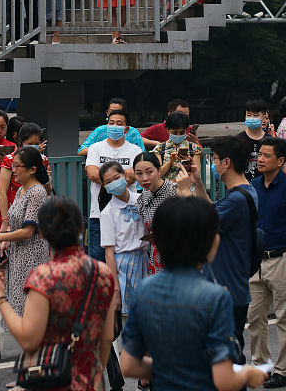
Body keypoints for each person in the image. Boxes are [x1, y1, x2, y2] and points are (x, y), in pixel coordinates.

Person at [120, 196, 268, 391]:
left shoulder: (144, 290)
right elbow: (224, 380)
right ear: (204, 242)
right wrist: (248, 374)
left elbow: (128, 365)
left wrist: (169, 370)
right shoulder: (215, 297)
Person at [0, 196, 118, 391]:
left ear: (43, 235)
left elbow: (28, 340)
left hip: (54, 382)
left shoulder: (43, 277)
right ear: (81, 229)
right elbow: (107, 338)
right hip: (90, 381)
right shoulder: (103, 273)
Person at [248, 137, 286, 388]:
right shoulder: (253, 185)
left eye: (266, 155)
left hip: (282, 257)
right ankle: (261, 365)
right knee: (255, 317)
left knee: (284, 317)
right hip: (254, 261)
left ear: (281, 161)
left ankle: (283, 370)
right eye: (259, 154)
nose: (260, 159)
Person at [196, 136, 257, 357]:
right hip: (230, 286)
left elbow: (203, 224)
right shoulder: (244, 192)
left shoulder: (236, 200)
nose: (214, 164)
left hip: (226, 289)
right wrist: (197, 184)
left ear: (227, 163)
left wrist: (185, 193)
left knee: (226, 358)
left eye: (215, 159)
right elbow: (213, 212)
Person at [0, 145, 50, 312]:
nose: (13, 170)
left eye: (17, 166)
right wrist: (6, 240)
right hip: (17, 256)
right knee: (16, 303)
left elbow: (28, 231)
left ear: (32, 169)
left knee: (27, 308)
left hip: (31, 257)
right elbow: (17, 225)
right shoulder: (21, 189)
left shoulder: (36, 192)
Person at [85, 108, 143, 262]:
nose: (114, 126)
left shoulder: (135, 150)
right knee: (99, 260)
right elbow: (92, 174)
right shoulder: (95, 148)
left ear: (126, 129)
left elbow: (135, 174)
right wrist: (122, 176)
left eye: (119, 124)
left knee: (126, 257)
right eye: (111, 123)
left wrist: (104, 176)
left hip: (127, 213)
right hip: (98, 213)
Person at [97, 160, 146, 324]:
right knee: (127, 317)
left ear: (125, 176)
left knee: (146, 312)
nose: (114, 183)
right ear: (104, 186)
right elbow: (109, 252)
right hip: (122, 266)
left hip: (144, 260)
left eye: (116, 178)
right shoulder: (107, 213)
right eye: (108, 182)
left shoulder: (142, 200)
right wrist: (116, 287)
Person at [151, 111, 204, 196]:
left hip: (189, 194)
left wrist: (187, 161)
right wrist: (170, 161)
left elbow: (197, 173)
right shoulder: (160, 148)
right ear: (167, 130)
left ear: (186, 130)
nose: (178, 135)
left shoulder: (194, 149)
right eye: (174, 132)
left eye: (182, 132)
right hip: (166, 195)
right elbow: (158, 174)